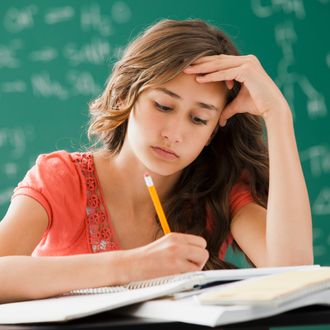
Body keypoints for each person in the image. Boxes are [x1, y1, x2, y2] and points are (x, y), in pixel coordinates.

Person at [0, 19, 313, 303]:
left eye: (199, 119)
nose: (174, 133)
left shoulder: (220, 189)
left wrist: (278, 115)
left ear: (214, 131)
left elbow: (294, 271)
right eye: (163, 106)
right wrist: (134, 265)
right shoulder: (61, 178)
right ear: (125, 95)